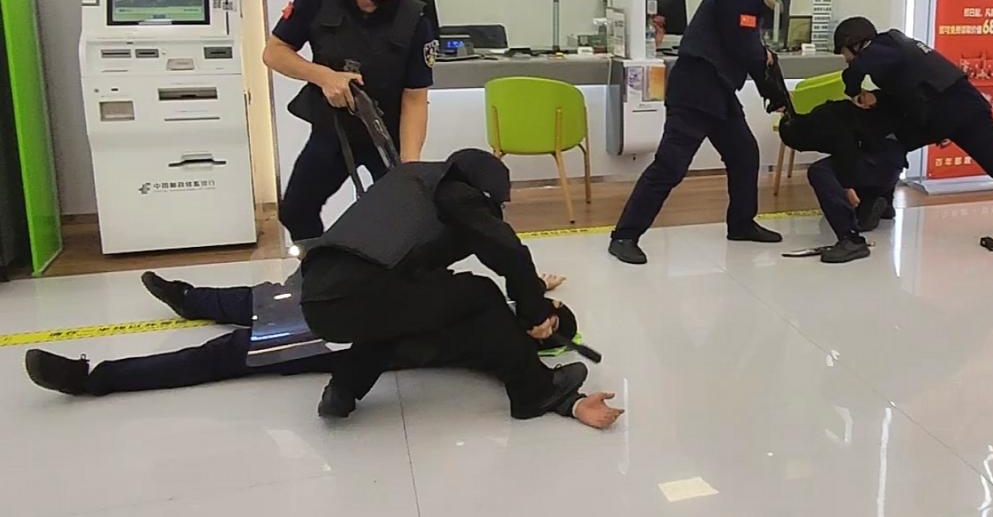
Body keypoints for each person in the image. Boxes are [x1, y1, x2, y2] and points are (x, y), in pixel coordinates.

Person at [23, 271, 623, 431]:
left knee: (221, 356)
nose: (538, 315)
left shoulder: (500, 343)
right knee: (270, 295)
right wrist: (535, 284)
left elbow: (524, 379)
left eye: (547, 322)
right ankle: (189, 298)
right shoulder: (489, 296)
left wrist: (574, 406)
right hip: (353, 303)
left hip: (341, 339)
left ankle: (93, 378)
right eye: (544, 310)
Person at [297, 148, 593, 420]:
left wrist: (533, 289)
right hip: (360, 291)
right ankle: (534, 391)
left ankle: (343, 390)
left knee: (406, 314)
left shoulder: (409, 182)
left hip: (318, 301)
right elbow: (507, 250)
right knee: (481, 293)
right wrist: (534, 311)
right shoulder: (456, 192)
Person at [608, 0, 805, 265]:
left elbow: (745, 48)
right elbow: (745, 47)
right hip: (697, 90)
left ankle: (741, 224)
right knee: (670, 165)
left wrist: (771, 85)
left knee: (744, 153)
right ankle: (624, 236)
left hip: (717, 90)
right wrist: (767, 69)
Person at [833, 18, 993, 256]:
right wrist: (876, 98)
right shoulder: (891, 49)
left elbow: (855, 71)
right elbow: (909, 87)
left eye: (844, 52)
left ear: (857, 44)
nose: (845, 59)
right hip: (931, 116)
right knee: (887, 144)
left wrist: (853, 90)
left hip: (964, 114)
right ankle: (881, 201)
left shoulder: (882, 47)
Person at [264, 0, 439, 242]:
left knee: (403, 218)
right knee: (296, 210)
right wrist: (324, 76)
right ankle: (320, 266)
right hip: (333, 130)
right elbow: (274, 52)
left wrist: (410, 165)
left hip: (386, 134)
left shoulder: (415, 19)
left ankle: (387, 271)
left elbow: (415, 98)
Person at [777, 99, 908, 264]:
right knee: (860, 207)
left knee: (819, 171)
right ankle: (881, 202)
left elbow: (846, 149)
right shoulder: (827, 112)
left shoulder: (824, 122)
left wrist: (847, 186)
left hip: (879, 164)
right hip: (892, 163)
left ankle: (851, 239)